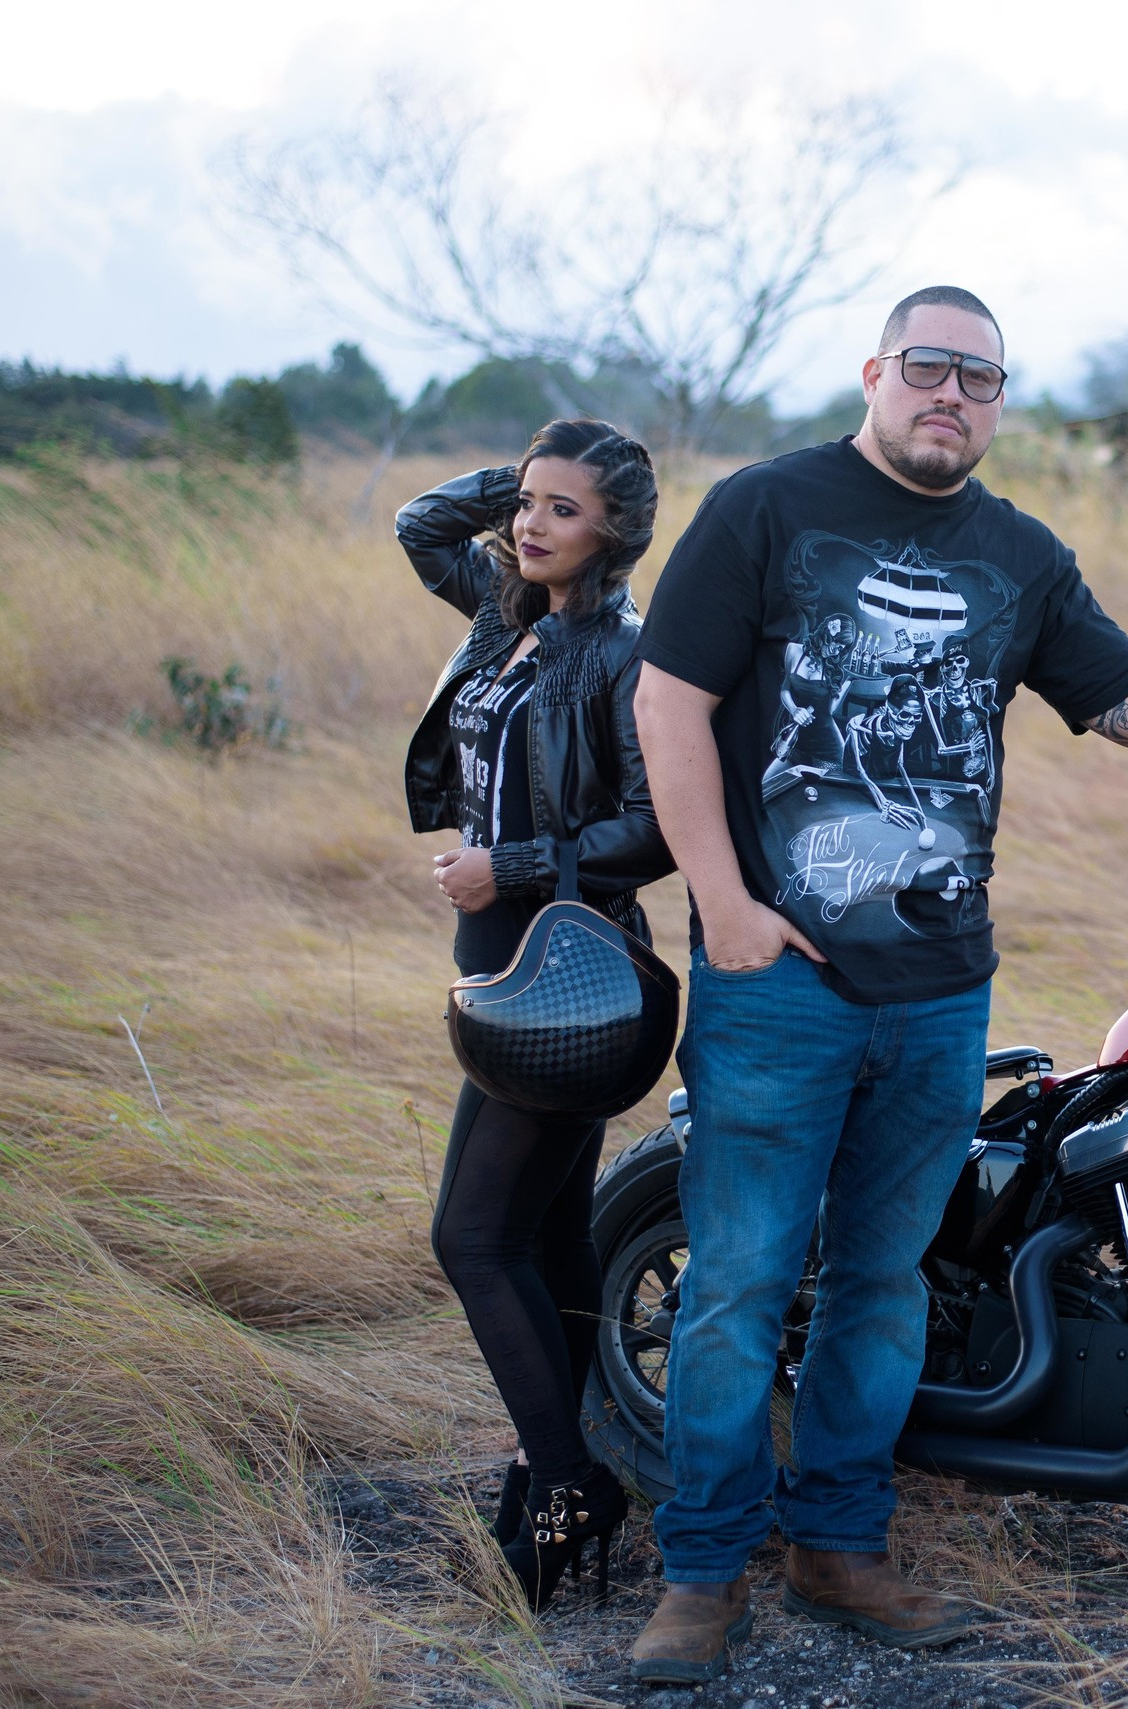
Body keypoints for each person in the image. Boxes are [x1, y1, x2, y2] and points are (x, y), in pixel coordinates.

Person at [626, 286, 1128, 1687]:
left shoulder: (1016, 554)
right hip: (781, 980)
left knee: (882, 1282)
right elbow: (670, 701)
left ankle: (839, 1545)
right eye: (928, 367)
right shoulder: (766, 509)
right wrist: (724, 908)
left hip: (942, 987)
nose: (951, 394)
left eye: (981, 378)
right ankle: (704, 1570)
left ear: (999, 403)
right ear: (875, 372)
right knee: (738, 1284)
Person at [395, 419, 674, 1608]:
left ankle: (568, 1484)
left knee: (471, 1237)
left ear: (614, 532)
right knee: (552, 1240)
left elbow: (661, 821)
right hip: (504, 959)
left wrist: (510, 866)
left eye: (564, 508)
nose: (528, 522)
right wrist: (522, 478)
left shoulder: (625, 651)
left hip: (569, 966)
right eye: (525, 501)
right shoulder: (502, 616)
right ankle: (559, 1463)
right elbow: (421, 523)